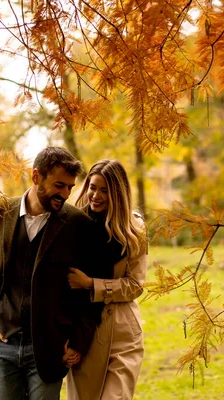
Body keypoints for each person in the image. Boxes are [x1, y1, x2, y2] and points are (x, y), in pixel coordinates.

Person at [0, 147, 105, 399]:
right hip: (2, 342)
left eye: (70, 188)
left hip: (51, 347)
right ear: (36, 177)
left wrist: (77, 341)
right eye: (59, 185)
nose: (65, 194)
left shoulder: (78, 224)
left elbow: (89, 292)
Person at [66, 159, 148, 400]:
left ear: (118, 193)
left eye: (105, 190)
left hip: (124, 334)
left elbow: (135, 285)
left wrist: (92, 284)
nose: (96, 195)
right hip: (86, 333)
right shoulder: (73, 224)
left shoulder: (134, 229)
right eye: (93, 187)